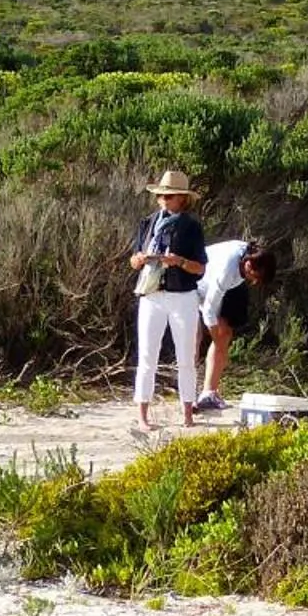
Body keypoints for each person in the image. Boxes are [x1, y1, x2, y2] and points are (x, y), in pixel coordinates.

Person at [126, 169, 207, 431]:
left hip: (182, 295)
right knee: (147, 356)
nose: (163, 199)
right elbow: (134, 258)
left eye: (169, 195)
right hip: (152, 293)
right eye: (161, 194)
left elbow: (200, 268)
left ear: (181, 199)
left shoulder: (192, 227)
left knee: (185, 357)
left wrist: (179, 262)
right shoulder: (148, 223)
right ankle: (143, 414)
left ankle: (187, 412)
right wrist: (138, 260)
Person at [192, 240, 278, 411]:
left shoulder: (248, 260)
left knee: (225, 332)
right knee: (194, 337)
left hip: (232, 284)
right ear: (248, 264)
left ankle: (209, 393)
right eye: (254, 277)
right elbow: (209, 309)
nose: (254, 282)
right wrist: (218, 344)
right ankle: (188, 395)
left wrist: (220, 341)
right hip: (197, 284)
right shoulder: (226, 268)